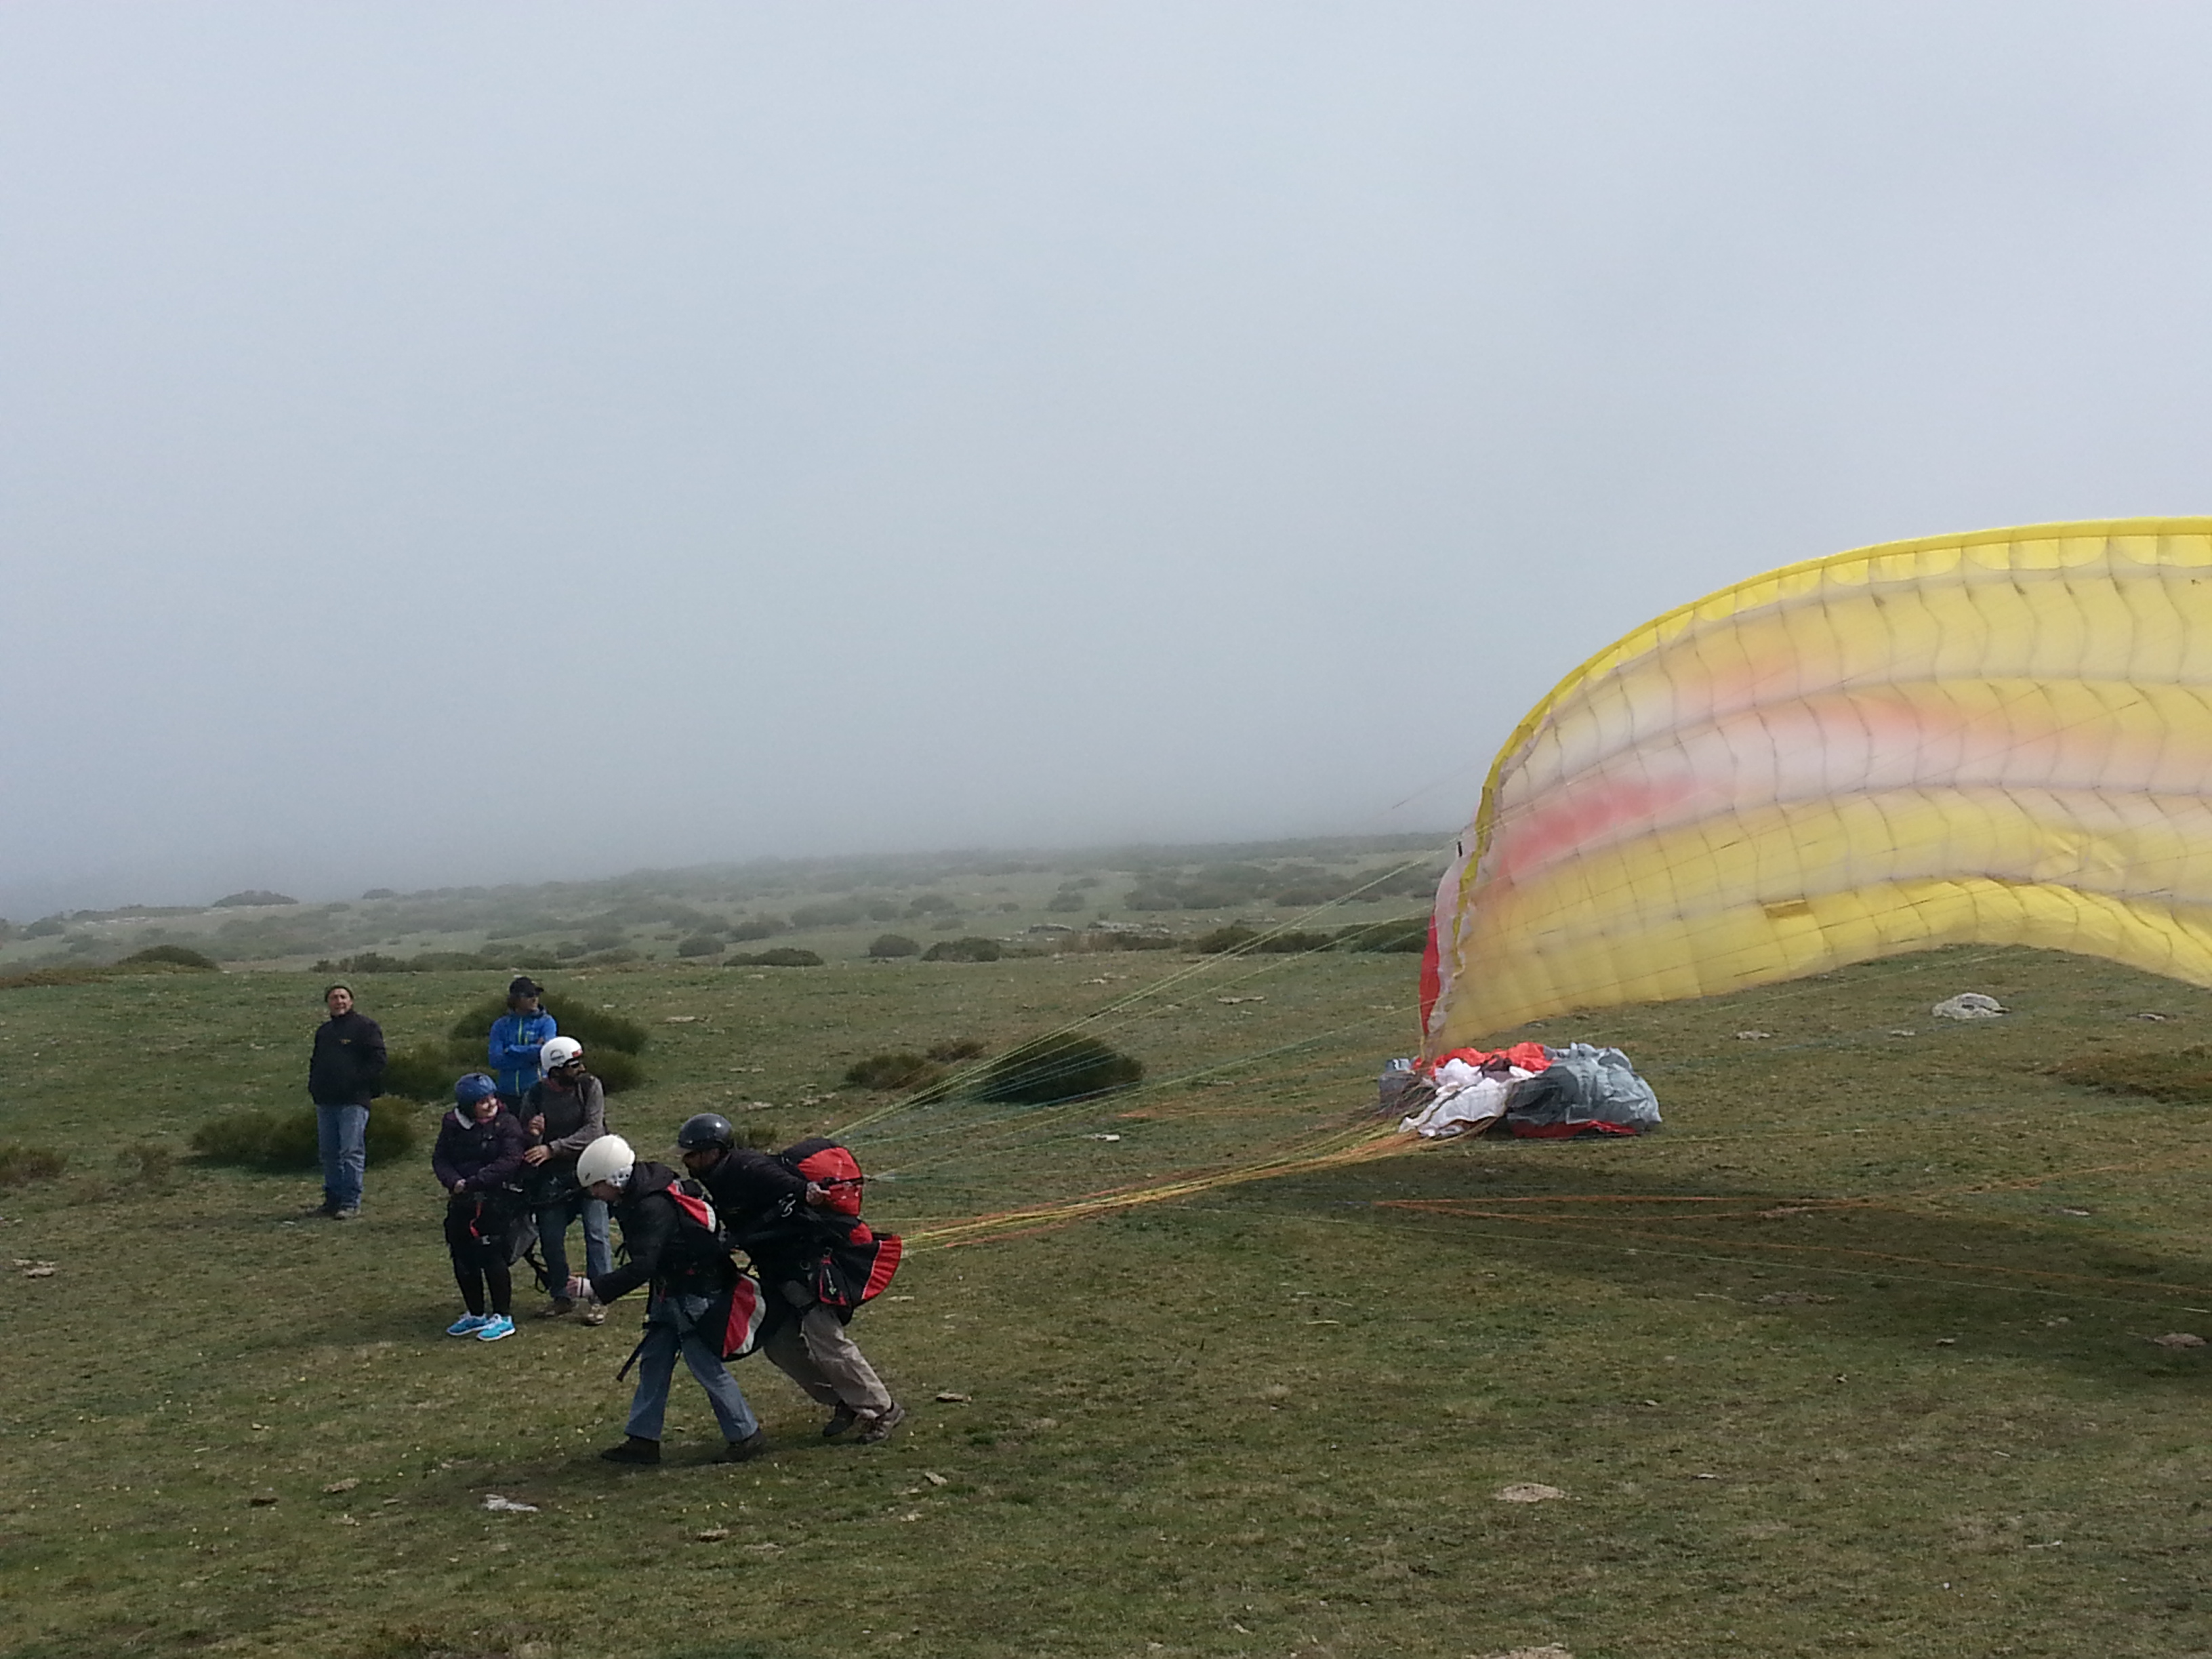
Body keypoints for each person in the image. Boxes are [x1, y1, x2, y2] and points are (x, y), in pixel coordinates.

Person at [675, 1113, 905, 1445]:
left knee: (828, 1341)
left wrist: (808, 1191)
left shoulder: (748, 1167)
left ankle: (882, 1409)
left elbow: (793, 1187)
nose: (688, 1160)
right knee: (781, 1347)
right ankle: (845, 1401)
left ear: (714, 1151)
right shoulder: (715, 1178)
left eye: (693, 1154)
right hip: (775, 1271)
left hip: (806, 1267)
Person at [567, 1134, 768, 1466]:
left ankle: (746, 1435)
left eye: (597, 1186)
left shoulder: (649, 1206)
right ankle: (643, 1439)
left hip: (691, 1294)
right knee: (655, 1361)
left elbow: (644, 1265)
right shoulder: (648, 1188)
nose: (594, 1194)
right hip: (676, 1291)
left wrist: (594, 1289)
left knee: (705, 1366)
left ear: (615, 1178)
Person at [432, 1073, 530, 1343]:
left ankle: (503, 1316)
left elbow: (510, 1160)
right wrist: (454, 1182)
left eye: (491, 1098)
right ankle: (475, 1312)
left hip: (496, 1200)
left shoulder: (507, 1124)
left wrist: (475, 1182)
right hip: (462, 1200)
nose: (490, 1105)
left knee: (491, 1254)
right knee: (462, 1256)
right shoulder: (452, 1125)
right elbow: (440, 1158)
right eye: (482, 1101)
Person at [522, 1034, 611, 1325]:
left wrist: (553, 1148)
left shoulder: (590, 1087)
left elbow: (594, 1131)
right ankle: (562, 1296)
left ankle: (601, 1296)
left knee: (597, 1235)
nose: (581, 1068)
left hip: (592, 1171)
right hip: (553, 1179)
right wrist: (535, 1134)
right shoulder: (535, 1096)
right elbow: (526, 1140)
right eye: (574, 1064)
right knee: (550, 1238)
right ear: (555, 1069)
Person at [308, 983, 386, 1221]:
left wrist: (355, 1083)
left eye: (343, 997)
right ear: (328, 1003)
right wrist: (315, 1088)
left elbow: (379, 1060)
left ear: (351, 1001)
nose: (338, 1001)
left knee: (350, 1151)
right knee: (329, 1153)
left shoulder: (366, 1027)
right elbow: (316, 1061)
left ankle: (351, 1202)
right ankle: (332, 1200)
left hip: (354, 1101)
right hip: (326, 1102)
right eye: (333, 997)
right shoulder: (324, 1032)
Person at [487, 977, 557, 1106]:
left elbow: (545, 1053)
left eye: (537, 994)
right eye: (529, 995)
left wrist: (511, 1050)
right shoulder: (500, 1025)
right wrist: (531, 1057)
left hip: (536, 1092)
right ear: (516, 999)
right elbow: (495, 1060)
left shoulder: (547, 1022)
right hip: (506, 1093)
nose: (535, 998)